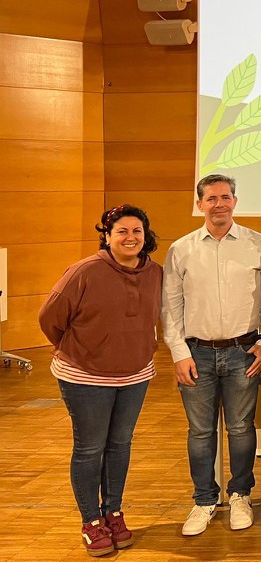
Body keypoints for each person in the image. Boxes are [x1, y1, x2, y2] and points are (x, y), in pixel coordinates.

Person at [39, 205, 162, 558]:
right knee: (90, 448)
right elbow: (49, 317)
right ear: (107, 236)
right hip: (85, 376)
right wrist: (81, 349)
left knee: (120, 444)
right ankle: (91, 520)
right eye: (121, 231)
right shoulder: (85, 271)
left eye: (137, 231)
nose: (130, 237)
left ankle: (113, 513)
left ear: (145, 236)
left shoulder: (155, 272)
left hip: (135, 374)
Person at [161, 174, 261, 537]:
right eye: (211, 198)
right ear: (200, 205)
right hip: (197, 354)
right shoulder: (181, 249)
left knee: (241, 429)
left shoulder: (257, 244)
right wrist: (179, 353)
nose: (219, 204)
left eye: (225, 197)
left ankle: (240, 495)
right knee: (200, 432)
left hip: (244, 351)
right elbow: (170, 308)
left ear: (235, 202)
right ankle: (204, 500)